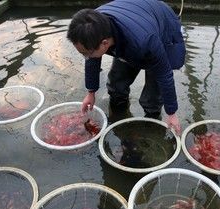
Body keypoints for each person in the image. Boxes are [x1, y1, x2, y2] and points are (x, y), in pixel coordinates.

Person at [67, 0, 186, 135]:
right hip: (130, 25)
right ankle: (118, 119)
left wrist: (172, 113)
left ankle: (151, 127)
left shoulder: (146, 41)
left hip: (160, 29)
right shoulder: (93, 26)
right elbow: (91, 57)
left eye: (86, 53)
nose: (85, 57)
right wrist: (91, 92)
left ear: (105, 43)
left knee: (151, 100)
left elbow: (165, 75)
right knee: (116, 85)